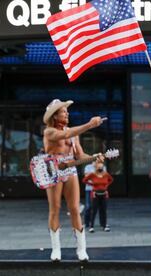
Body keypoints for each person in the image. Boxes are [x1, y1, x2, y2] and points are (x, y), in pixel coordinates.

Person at [43, 99, 106, 261]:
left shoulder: (73, 133)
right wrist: (89, 125)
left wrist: (94, 157)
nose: (67, 113)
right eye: (64, 111)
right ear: (55, 116)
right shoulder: (49, 132)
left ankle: (82, 249)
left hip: (70, 170)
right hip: (54, 170)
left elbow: (80, 155)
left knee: (75, 208)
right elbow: (64, 134)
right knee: (54, 208)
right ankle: (56, 249)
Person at [82, 160, 113, 233]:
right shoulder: (92, 174)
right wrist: (92, 185)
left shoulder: (105, 174)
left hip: (104, 193)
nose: (100, 167)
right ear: (96, 167)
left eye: (101, 166)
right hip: (95, 193)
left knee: (103, 210)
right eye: (99, 166)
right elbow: (84, 180)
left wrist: (106, 186)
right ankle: (91, 226)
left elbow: (111, 180)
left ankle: (104, 225)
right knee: (93, 209)